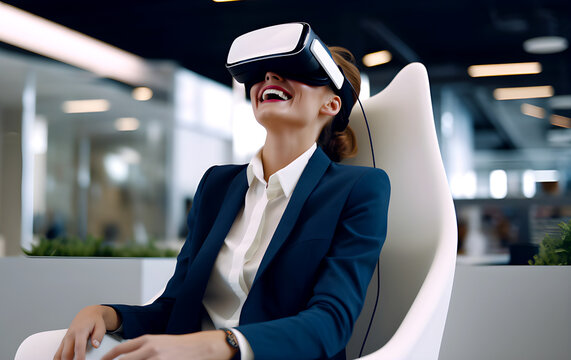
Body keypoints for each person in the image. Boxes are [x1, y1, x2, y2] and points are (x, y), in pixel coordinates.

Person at [54, 23, 390, 360]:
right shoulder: (217, 185)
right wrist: (104, 314)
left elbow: (331, 323)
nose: (270, 76)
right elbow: (175, 306)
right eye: (260, 73)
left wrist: (225, 343)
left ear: (330, 105)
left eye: (296, 69)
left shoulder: (358, 190)